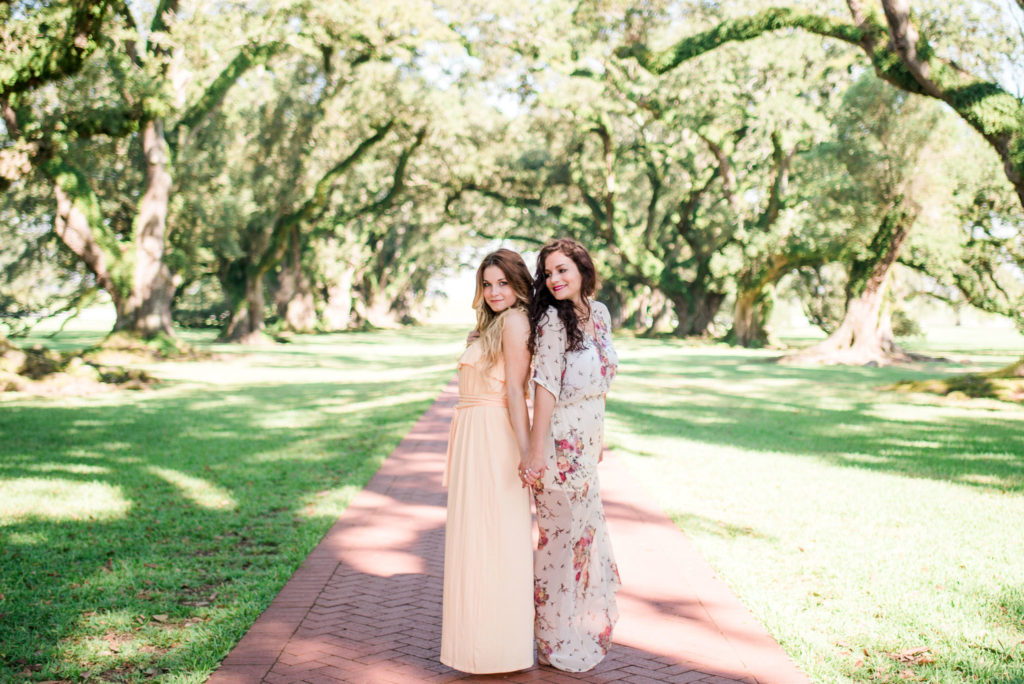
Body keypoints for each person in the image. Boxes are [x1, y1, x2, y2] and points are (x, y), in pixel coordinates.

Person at [520, 237, 620, 672]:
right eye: (548, 272)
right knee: (559, 541)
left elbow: (601, 381)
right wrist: (536, 450)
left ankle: (574, 625)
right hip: (558, 444)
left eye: (563, 269)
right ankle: (551, 635)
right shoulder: (550, 322)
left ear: (582, 269)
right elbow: (545, 385)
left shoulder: (599, 314)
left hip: (587, 443)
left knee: (582, 541)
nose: (554, 279)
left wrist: (601, 436)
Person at [440, 248, 535, 674]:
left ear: (518, 284)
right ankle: (475, 646)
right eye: (487, 283)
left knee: (495, 540)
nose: (494, 291)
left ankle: (496, 648)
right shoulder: (491, 326)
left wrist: (527, 449)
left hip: (495, 438)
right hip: (472, 438)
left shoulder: (515, 321)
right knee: (474, 538)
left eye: (503, 282)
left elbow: (516, 391)